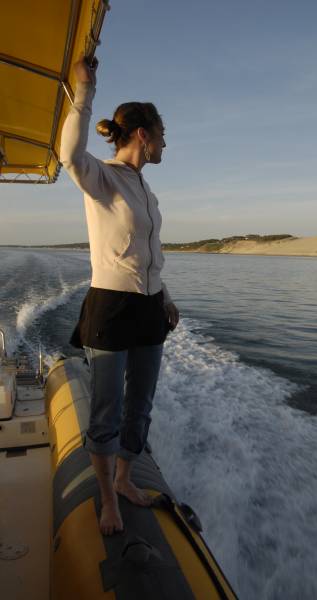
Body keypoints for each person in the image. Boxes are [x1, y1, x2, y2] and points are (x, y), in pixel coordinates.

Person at [60, 56, 179, 536]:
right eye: (163, 134)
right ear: (144, 135)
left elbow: (147, 252)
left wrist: (164, 294)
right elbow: (70, 154)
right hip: (110, 306)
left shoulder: (147, 191)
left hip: (149, 307)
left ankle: (127, 479)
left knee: (141, 405)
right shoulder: (102, 178)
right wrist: (84, 94)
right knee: (107, 408)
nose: (167, 143)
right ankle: (107, 498)